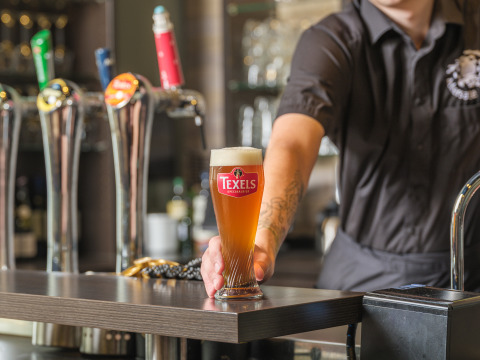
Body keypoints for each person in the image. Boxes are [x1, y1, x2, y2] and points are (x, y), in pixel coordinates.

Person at [201, 0, 480, 297]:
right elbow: (292, 143)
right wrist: (261, 240)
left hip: (470, 275)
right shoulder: (331, 40)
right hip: (365, 284)